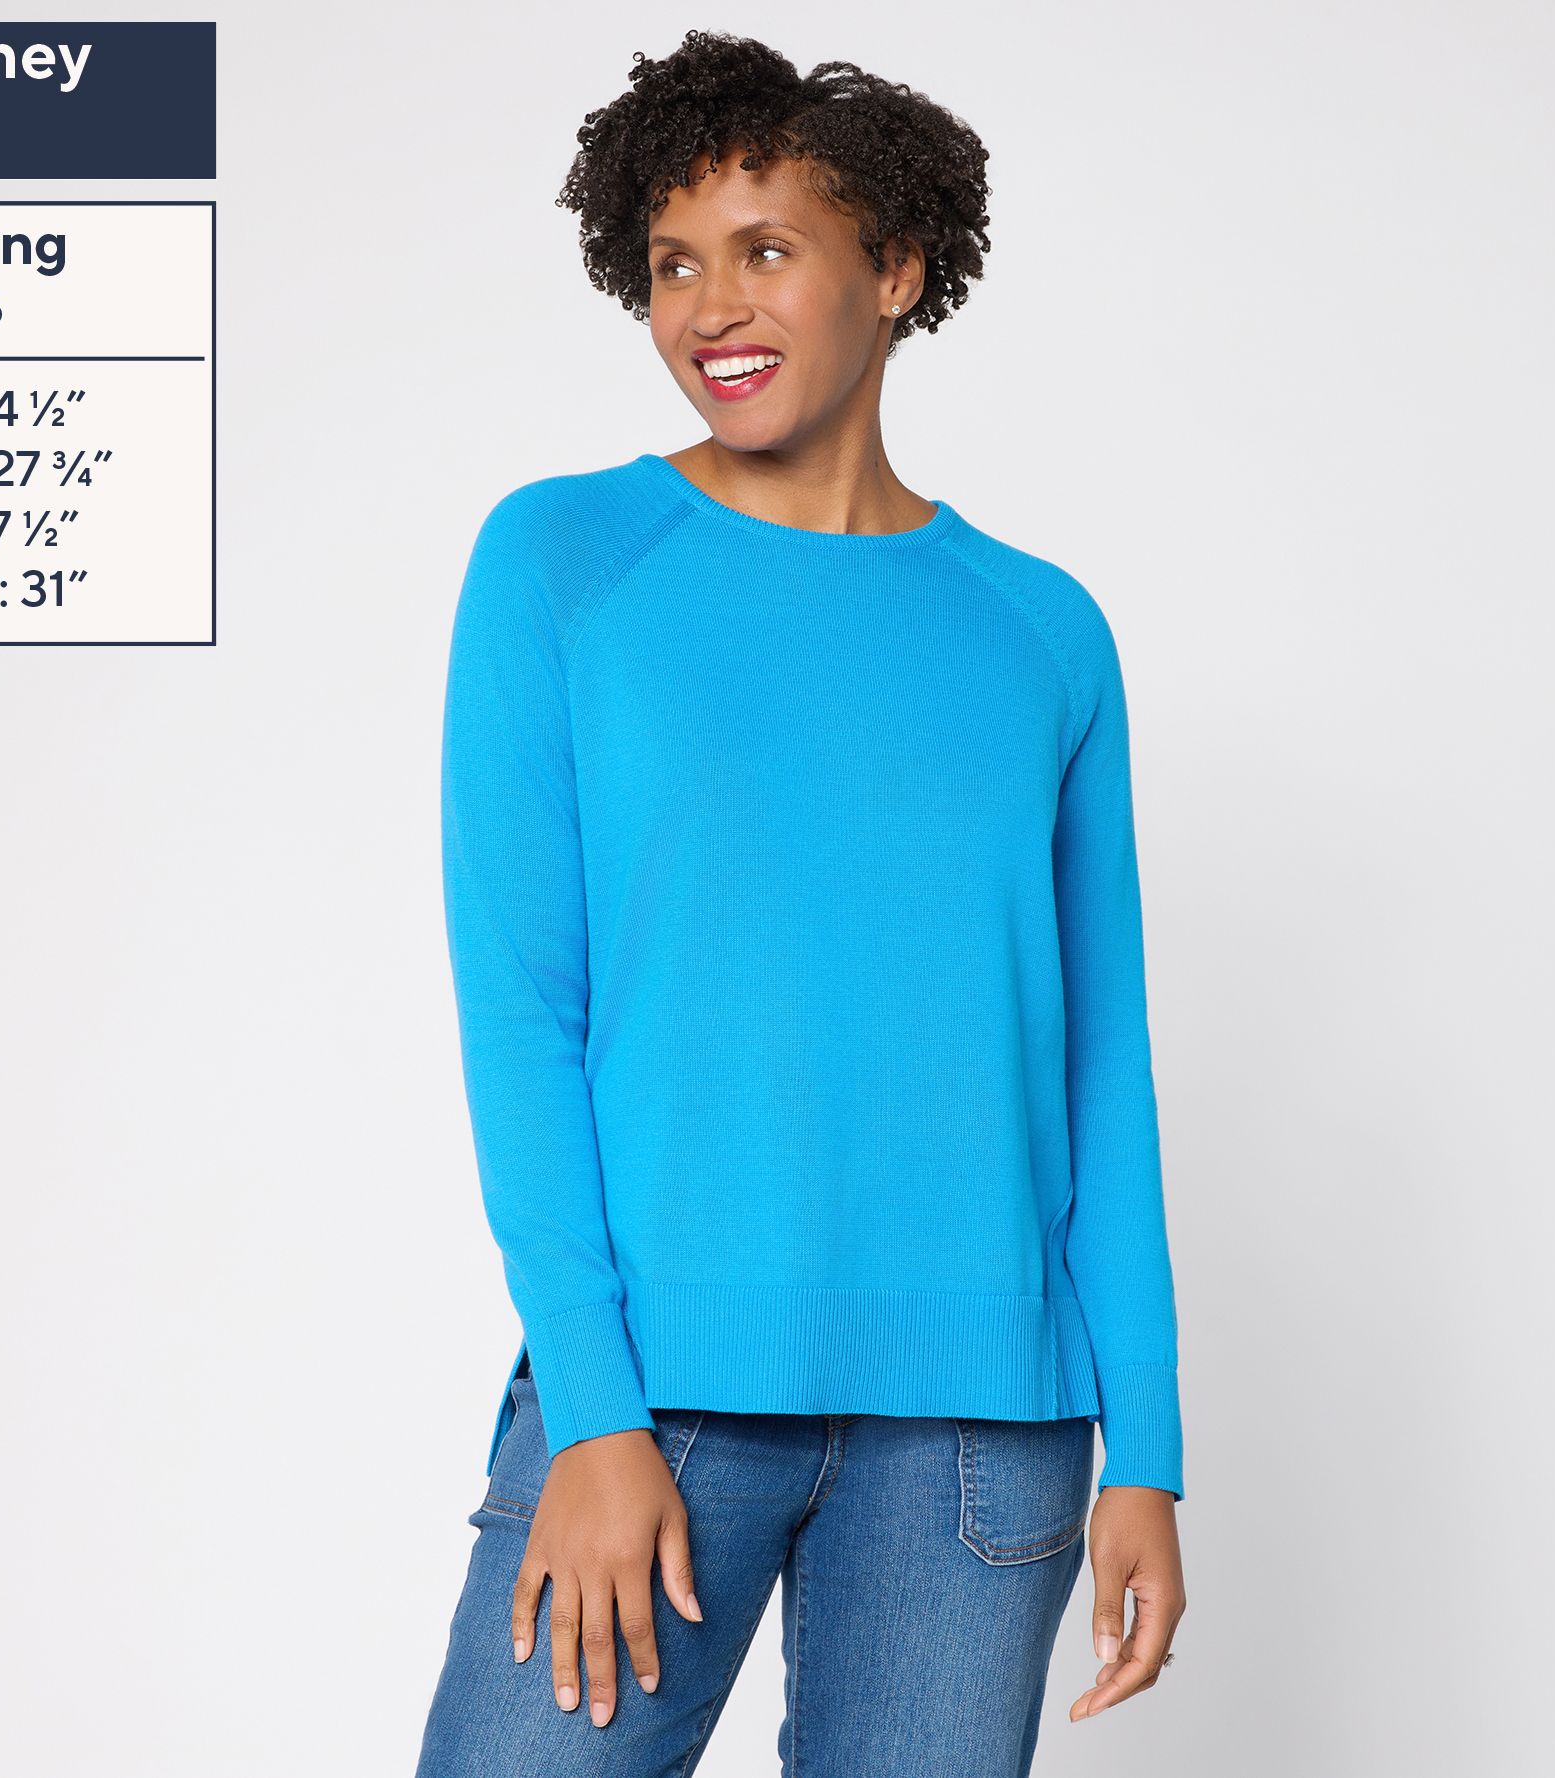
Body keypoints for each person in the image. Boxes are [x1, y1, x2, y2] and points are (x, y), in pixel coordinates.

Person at [414, 31, 1186, 1778]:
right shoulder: (562, 561)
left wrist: (1146, 1445)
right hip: (661, 1402)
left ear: (894, 268)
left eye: (764, 248)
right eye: (673, 262)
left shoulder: (1042, 632)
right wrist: (592, 1412)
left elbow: (1102, 1064)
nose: (711, 306)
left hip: (986, 1436)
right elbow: (525, 1011)